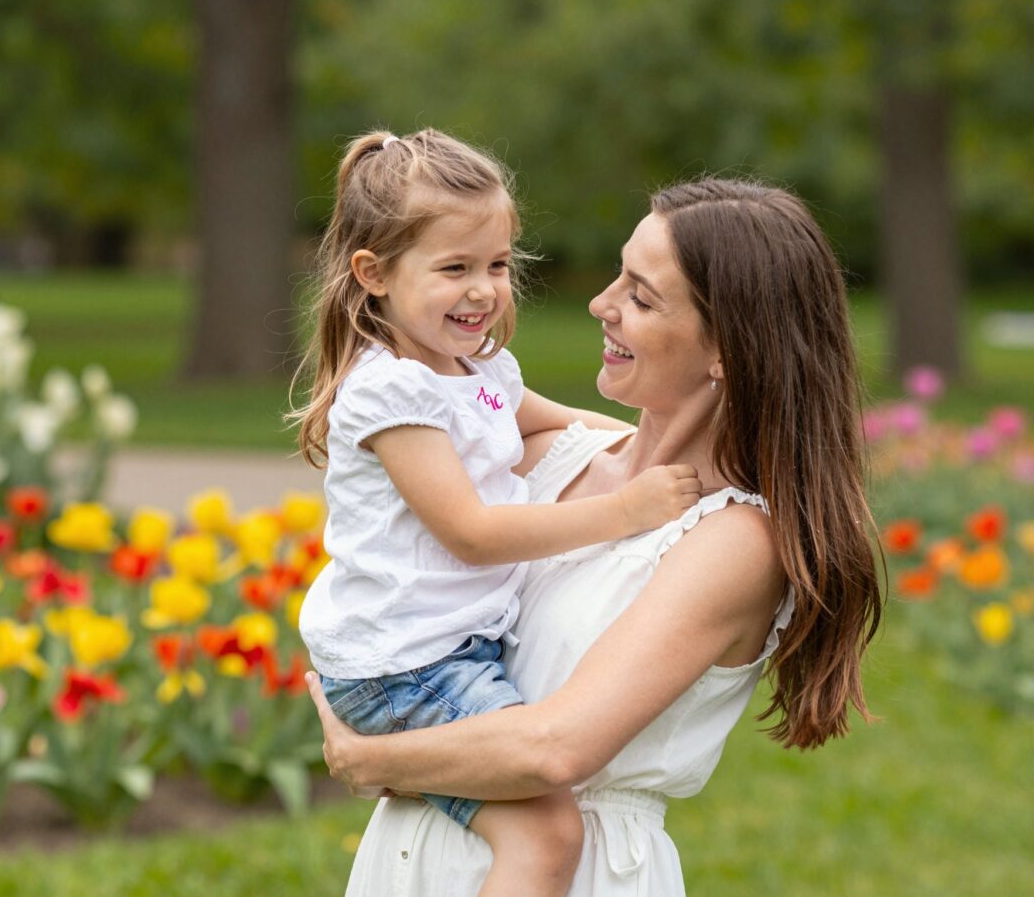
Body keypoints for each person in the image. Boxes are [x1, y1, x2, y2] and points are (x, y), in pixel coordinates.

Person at [305, 177, 884, 895]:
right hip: (415, 859)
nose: (600, 305)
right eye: (618, 277)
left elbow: (555, 749)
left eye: (640, 297)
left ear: (727, 350)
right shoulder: (559, 459)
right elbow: (430, 456)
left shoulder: (735, 541)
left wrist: (368, 760)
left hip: (575, 870)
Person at [289, 129, 704, 897]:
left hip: (446, 651)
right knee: (547, 832)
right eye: (454, 268)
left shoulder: (476, 372)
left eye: (497, 265)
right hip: (404, 666)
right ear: (373, 274)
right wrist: (625, 508)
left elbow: (571, 425)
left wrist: (683, 446)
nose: (483, 290)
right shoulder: (391, 393)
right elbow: (472, 535)